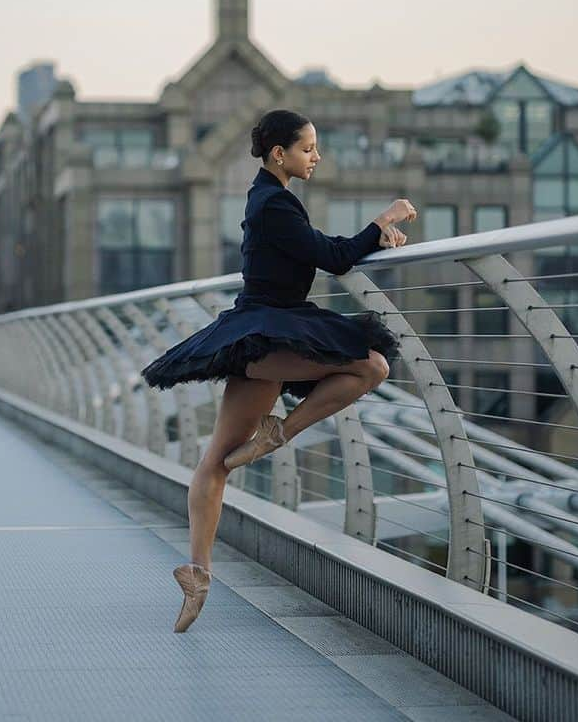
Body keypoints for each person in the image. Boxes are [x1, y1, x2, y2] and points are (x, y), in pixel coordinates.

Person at [140, 108, 417, 633]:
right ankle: (278, 434)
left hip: (265, 329)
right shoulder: (275, 204)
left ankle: (197, 574)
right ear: (279, 155)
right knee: (373, 366)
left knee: (216, 461)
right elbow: (332, 257)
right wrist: (385, 221)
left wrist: (375, 237)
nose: (317, 157)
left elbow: (322, 253)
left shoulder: (263, 198)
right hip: (271, 331)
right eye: (309, 149)